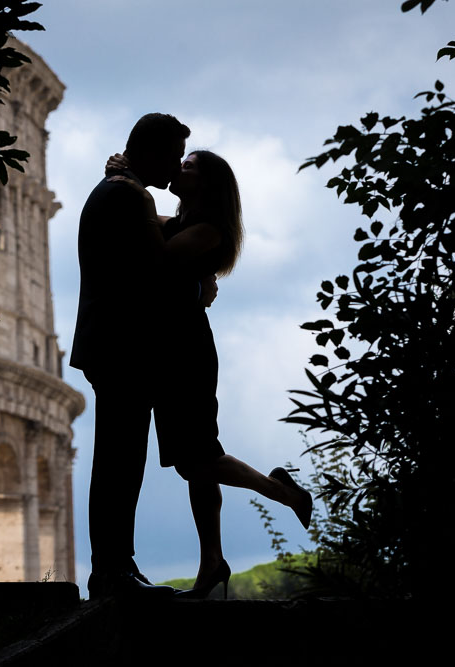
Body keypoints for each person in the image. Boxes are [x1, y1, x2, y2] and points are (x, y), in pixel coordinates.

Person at [105, 149, 315, 600]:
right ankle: (212, 561)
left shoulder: (208, 230)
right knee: (199, 462)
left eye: (188, 166)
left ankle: (281, 491)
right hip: (175, 349)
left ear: (207, 184)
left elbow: (156, 253)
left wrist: (132, 186)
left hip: (186, 353)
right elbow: (148, 223)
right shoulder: (184, 223)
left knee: (196, 459)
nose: (178, 167)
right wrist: (128, 181)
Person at [70, 113, 196, 599]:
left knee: (118, 459)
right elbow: (158, 265)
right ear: (152, 150)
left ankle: (115, 567)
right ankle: (113, 571)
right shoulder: (131, 194)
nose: (175, 167)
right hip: (123, 345)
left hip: (110, 344)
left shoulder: (117, 189)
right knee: (121, 462)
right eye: (172, 156)